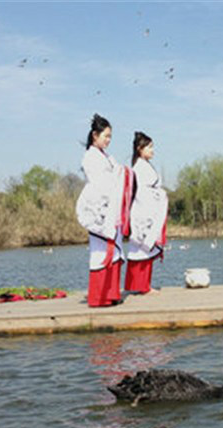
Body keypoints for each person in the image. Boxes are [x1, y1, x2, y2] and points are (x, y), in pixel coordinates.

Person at [76, 114, 133, 307]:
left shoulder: (108, 157)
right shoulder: (90, 157)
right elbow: (99, 184)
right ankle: (99, 297)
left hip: (112, 209)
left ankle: (112, 293)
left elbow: (118, 173)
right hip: (98, 208)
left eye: (110, 137)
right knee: (101, 252)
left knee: (114, 252)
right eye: (105, 136)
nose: (108, 140)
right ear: (95, 135)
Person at [125, 132, 168, 294]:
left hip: (150, 208)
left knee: (145, 249)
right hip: (143, 211)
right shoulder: (138, 168)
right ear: (139, 149)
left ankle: (143, 285)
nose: (152, 150)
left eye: (152, 147)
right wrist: (150, 211)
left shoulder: (144, 166)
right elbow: (141, 193)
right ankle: (141, 286)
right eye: (149, 147)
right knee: (142, 247)